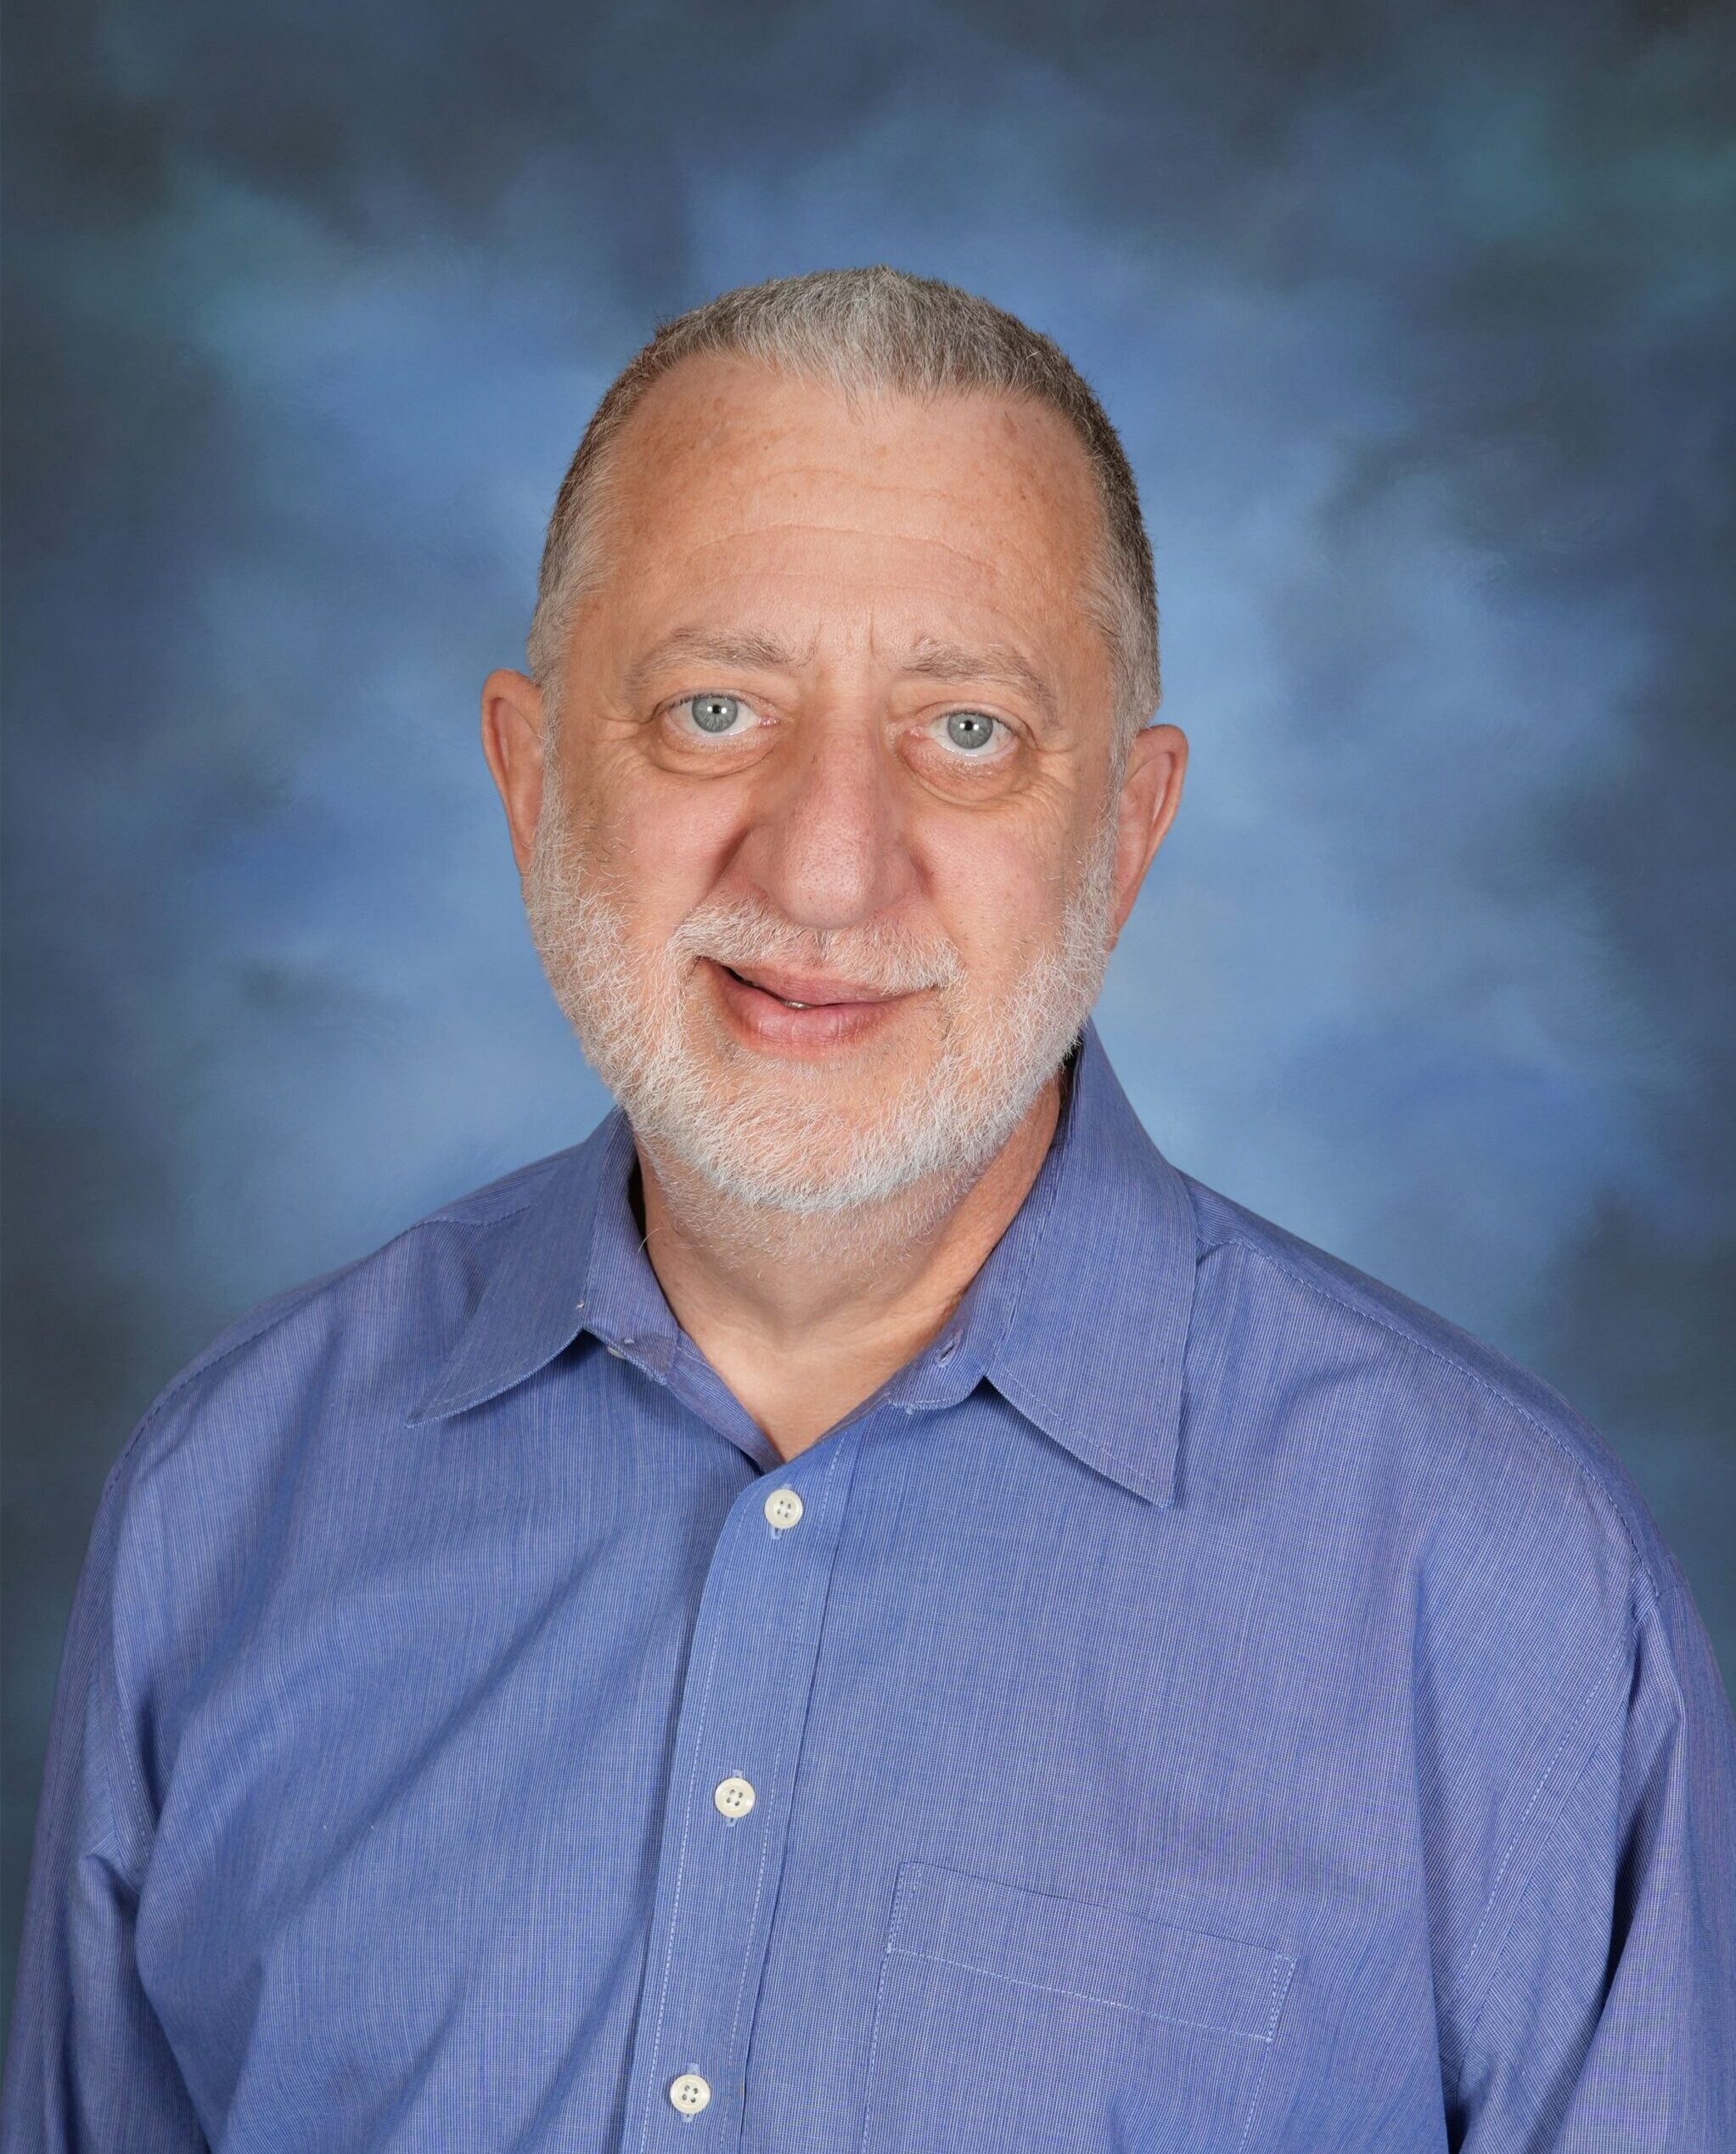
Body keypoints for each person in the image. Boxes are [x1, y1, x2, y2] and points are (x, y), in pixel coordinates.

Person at [5, 265, 1733, 2152]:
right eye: (714, 709)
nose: (827, 870)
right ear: (528, 777)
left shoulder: (1501, 1599)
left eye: (966, 730)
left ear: (1127, 829)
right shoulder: (229, 1504)